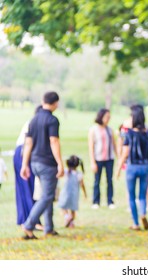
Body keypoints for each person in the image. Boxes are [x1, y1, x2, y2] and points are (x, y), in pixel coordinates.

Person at [20, 91, 64, 239]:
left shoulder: (33, 119)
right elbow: (54, 141)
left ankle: (49, 228)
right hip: (47, 163)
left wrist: (25, 164)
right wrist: (60, 163)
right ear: (56, 103)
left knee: (47, 194)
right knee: (47, 196)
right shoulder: (52, 120)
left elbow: (28, 143)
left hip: (35, 163)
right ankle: (29, 224)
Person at [117, 105, 148, 231]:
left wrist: (118, 169)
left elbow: (125, 152)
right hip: (145, 167)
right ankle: (143, 213)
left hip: (132, 167)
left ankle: (135, 223)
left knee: (132, 196)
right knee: (142, 195)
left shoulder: (130, 134)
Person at [13, 106, 43, 230]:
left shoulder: (35, 122)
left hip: (25, 153)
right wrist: (25, 163)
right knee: (27, 187)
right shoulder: (34, 123)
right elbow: (27, 142)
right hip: (24, 153)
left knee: (29, 188)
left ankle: (28, 219)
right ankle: (30, 221)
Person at [88, 108, 117, 209]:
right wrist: (92, 162)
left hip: (109, 159)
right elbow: (91, 146)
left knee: (109, 180)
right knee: (97, 181)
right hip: (98, 158)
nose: (108, 119)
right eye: (107, 117)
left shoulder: (110, 130)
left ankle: (110, 201)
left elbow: (114, 145)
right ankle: (96, 201)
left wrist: (118, 157)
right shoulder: (93, 130)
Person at [57, 155, 87, 228]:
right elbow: (82, 184)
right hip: (74, 195)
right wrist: (85, 193)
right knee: (73, 210)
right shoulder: (79, 174)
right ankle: (71, 222)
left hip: (65, 194)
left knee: (63, 207)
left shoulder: (66, 172)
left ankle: (67, 217)